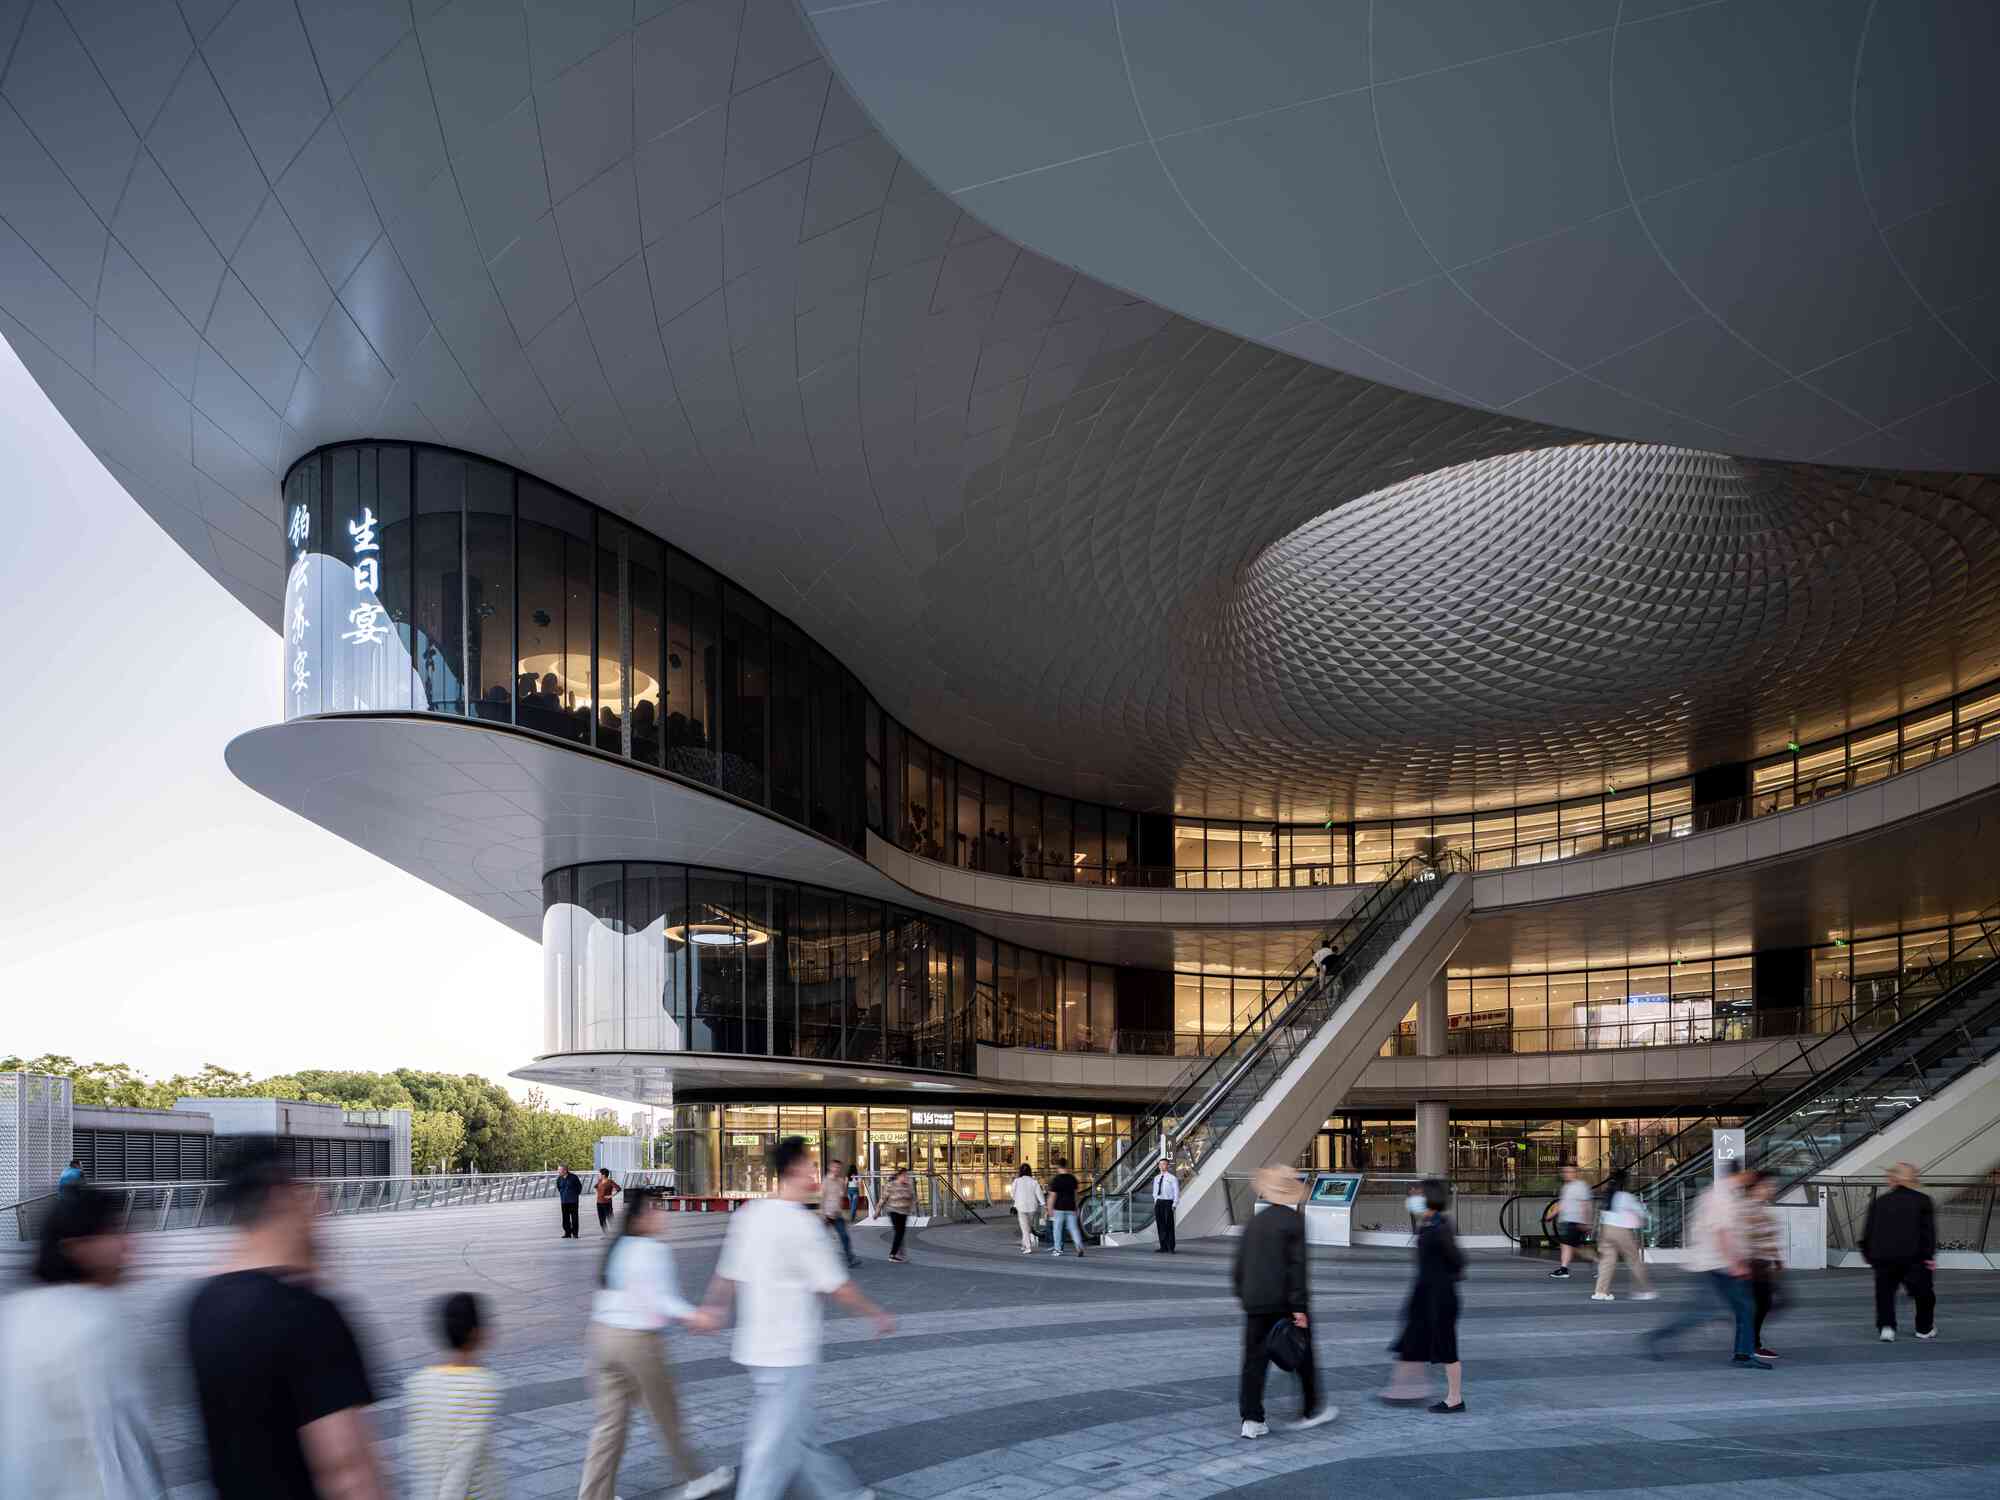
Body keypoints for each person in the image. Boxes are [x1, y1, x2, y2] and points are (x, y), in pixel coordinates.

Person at [185, 1137, 389, 1499]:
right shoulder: (306, 1315)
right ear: (281, 1195)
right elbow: (348, 1471)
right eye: (308, 1191)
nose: (321, 1207)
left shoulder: (200, 1305)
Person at [692, 1138, 894, 1500]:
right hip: (788, 1350)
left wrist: (713, 1308)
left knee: (794, 1431)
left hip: (757, 1347)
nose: (814, 1171)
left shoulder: (749, 1215)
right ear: (796, 1169)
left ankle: (840, 1493)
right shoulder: (801, 1225)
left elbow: (727, 1273)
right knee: (771, 1443)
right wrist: (876, 1314)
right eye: (810, 1164)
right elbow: (838, 1286)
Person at [0, 1186, 165, 1498]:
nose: (128, 1243)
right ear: (76, 1246)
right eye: (112, 1231)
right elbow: (121, 1449)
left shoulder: (15, 1313)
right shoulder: (97, 1323)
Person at [579, 1192, 733, 1500]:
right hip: (637, 1344)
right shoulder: (652, 1249)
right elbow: (659, 1299)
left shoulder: (618, 1246)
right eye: (655, 1209)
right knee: (666, 1414)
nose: (662, 1214)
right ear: (639, 1219)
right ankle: (696, 1478)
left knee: (609, 1426)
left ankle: (594, 1496)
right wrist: (696, 1316)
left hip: (602, 1339)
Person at [1232, 1167, 1334, 1438]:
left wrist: (1244, 1295)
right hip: (1284, 1303)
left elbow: (1239, 1265)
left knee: (1253, 1362)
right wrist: (1299, 1307)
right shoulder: (1294, 1221)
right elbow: (1297, 1267)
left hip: (1255, 1302)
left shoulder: (1255, 1222)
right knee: (1302, 1354)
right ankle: (1311, 1409)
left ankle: (1251, 1420)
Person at [1642, 1164, 1767, 1369]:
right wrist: (1735, 1263)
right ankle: (1743, 1355)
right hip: (1718, 1263)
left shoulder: (1718, 1193)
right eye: (1749, 1174)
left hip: (1711, 1262)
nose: (1751, 1179)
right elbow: (1722, 1232)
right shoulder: (1722, 1197)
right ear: (1742, 1174)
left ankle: (1657, 1338)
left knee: (1714, 1310)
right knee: (1742, 1308)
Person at [403, 1292, 502, 1500]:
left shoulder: (419, 1382)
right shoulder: (481, 1385)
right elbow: (462, 1460)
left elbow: (418, 1453)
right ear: (476, 1333)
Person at [1383, 1177, 1467, 1412]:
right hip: (1426, 1293)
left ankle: (1455, 1398)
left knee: (1447, 1348)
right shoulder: (1429, 1223)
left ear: (1430, 1198)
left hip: (1440, 1296)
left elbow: (1458, 1260)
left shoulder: (1440, 1227)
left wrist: (1442, 1279)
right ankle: (1407, 1387)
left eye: (1418, 1194)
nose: (1413, 1197)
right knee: (1416, 1337)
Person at [1860, 1161, 1937, 1342]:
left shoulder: (1880, 1201)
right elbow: (1928, 1232)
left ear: (1892, 1180)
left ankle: (1887, 1328)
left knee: (1885, 1293)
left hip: (1883, 1257)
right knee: (1924, 1294)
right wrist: (1929, 1256)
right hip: (1914, 1257)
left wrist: (1869, 1255)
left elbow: (1869, 1230)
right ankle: (1924, 1328)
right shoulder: (1923, 1200)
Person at [1591, 1169, 1656, 1302]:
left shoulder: (1608, 1195)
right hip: (1620, 1230)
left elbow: (1601, 1215)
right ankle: (1645, 1290)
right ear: (1625, 1182)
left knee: (1607, 1262)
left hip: (1605, 1230)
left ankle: (1600, 1292)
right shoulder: (1625, 1196)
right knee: (1634, 1260)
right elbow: (1640, 1211)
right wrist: (1648, 1216)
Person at [1740, 1169, 1785, 1358]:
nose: (1772, 1189)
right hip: (1754, 1265)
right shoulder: (1748, 1208)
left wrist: (1777, 1258)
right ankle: (1751, 1344)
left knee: (1764, 1303)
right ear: (1757, 1187)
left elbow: (1768, 1236)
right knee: (1761, 1304)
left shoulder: (1761, 1207)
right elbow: (1743, 1238)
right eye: (1768, 1186)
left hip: (1763, 1264)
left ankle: (1750, 1342)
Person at [1551, 1163, 1592, 1278]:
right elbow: (1562, 1204)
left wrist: (1586, 1222)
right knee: (1574, 1247)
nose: (1566, 1174)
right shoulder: (1566, 1187)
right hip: (1566, 1221)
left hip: (1575, 1221)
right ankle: (1599, 1262)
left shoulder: (1581, 1186)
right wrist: (1551, 1215)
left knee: (1567, 1245)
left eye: (1569, 1171)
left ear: (1576, 1173)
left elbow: (1586, 1205)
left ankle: (1564, 1269)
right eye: (1565, 1171)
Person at [821, 1158, 859, 1268]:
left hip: (837, 1214)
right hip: (827, 1214)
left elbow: (840, 1197)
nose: (837, 1169)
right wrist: (823, 1214)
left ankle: (850, 1259)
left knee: (844, 1236)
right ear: (830, 1167)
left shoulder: (841, 1181)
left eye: (839, 1168)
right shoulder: (826, 1181)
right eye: (835, 1167)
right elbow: (822, 1198)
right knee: (820, 1238)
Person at [1047, 1158, 1083, 1258]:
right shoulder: (1072, 1178)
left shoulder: (1056, 1180)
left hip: (1059, 1208)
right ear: (1066, 1166)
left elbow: (1052, 1196)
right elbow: (1076, 1195)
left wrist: (1049, 1208)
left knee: (1057, 1229)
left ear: (1058, 1167)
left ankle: (1057, 1249)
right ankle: (1079, 1246)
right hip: (1071, 1207)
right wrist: (1076, 1207)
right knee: (1074, 1228)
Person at [880, 1167, 917, 1262]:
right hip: (893, 1211)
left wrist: (912, 1207)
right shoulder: (891, 1185)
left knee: (900, 1233)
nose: (906, 1177)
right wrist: (877, 1210)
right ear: (899, 1176)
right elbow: (883, 1198)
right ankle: (893, 1255)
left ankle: (899, 1253)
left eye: (906, 1176)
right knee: (899, 1233)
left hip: (904, 1212)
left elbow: (912, 1198)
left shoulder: (908, 1186)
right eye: (904, 1175)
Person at [1009, 1163, 1045, 1254]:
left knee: (1025, 1228)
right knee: (1027, 1227)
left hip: (1021, 1207)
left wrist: (1016, 1199)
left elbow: (1012, 1193)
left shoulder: (1017, 1181)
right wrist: (1043, 1204)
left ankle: (1028, 1247)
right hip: (1032, 1207)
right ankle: (1024, 1244)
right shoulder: (1034, 1181)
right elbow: (1039, 1194)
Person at [1152, 1159, 1182, 1253]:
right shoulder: (1156, 1178)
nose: (1161, 1166)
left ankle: (1171, 1247)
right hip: (1159, 1202)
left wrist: (1175, 1203)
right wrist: (1156, 1201)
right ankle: (1163, 1246)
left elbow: (1176, 1191)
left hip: (1168, 1202)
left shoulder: (1172, 1178)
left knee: (1169, 1225)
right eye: (1160, 1164)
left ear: (1167, 1166)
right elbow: (1155, 1191)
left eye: (1164, 1164)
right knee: (1160, 1225)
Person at [556, 1165, 583, 1239]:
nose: (558, 1171)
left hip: (573, 1201)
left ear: (565, 1170)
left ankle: (575, 1233)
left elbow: (579, 1187)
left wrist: (575, 1195)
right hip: (564, 1201)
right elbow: (559, 1187)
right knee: (565, 1218)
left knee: (574, 1218)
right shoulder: (559, 1178)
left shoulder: (574, 1177)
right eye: (558, 1170)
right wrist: (563, 1194)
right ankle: (567, 1233)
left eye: (559, 1170)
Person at [593, 1167, 620, 1234]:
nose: (598, 1175)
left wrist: (611, 1196)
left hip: (607, 1203)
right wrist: (598, 1193)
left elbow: (618, 1189)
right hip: (599, 1203)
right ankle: (606, 1234)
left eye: (599, 1174)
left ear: (603, 1175)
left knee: (610, 1218)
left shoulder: (610, 1181)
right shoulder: (599, 1181)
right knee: (601, 1219)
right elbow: (595, 1187)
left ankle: (614, 1233)